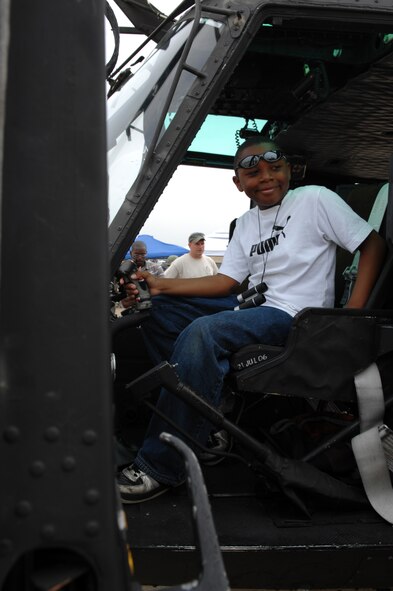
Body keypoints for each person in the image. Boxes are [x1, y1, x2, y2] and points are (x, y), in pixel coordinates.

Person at [117, 136, 386, 503]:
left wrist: (350, 316)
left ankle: (161, 466)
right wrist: (159, 286)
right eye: (254, 173)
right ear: (238, 182)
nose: (267, 178)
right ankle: (208, 415)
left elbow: (372, 244)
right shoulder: (244, 224)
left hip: (295, 317)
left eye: (275, 168)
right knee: (157, 315)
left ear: (289, 170)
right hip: (252, 308)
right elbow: (227, 282)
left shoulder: (314, 200)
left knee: (202, 333)